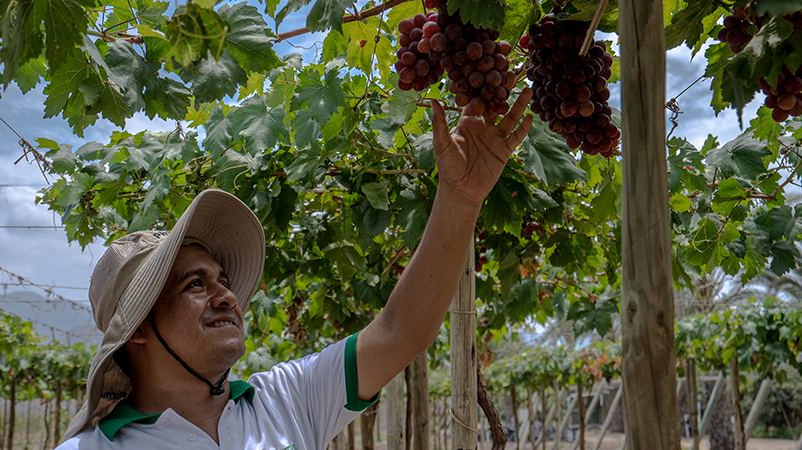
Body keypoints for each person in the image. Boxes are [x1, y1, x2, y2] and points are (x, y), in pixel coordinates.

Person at [57, 89, 535, 449]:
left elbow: (401, 331)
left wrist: (461, 198)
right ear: (139, 326)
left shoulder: (286, 398)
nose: (226, 296)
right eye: (194, 284)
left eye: (223, 279)